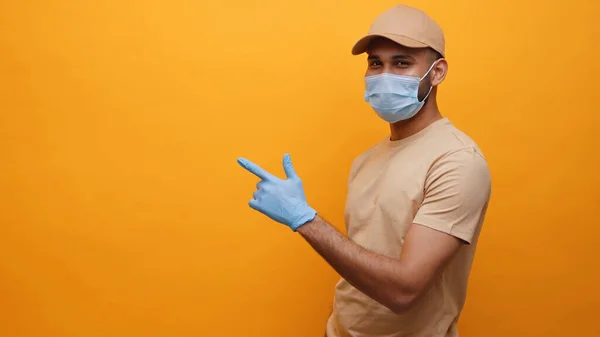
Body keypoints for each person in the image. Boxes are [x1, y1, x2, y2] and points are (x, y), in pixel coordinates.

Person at [237, 4, 491, 337]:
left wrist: (304, 219)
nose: (384, 75)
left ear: (437, 72)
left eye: (401, 62)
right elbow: (358, 268)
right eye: (375, 63)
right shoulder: (366, 161)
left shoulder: (457, 160)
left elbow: (403, 291)